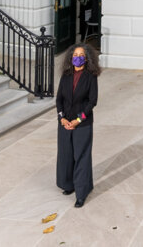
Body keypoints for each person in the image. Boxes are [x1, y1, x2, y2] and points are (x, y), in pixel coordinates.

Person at [55, 42, 100, 207]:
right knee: (66, 155)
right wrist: (62, 118)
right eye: (75, 55)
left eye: (81, 56)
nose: (78, 58)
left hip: (82, 123)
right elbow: (59, 99)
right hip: (65, 122)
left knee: (81, 157)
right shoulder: (66, 75)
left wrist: (78, 120)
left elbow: (92, 101)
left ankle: (82, 192)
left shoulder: (91, 76)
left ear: (87, 58)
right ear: (70, 58)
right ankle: (68, 185)